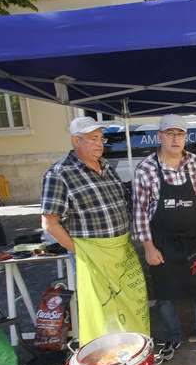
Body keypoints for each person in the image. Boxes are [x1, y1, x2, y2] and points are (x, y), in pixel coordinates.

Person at [41, 117, 149, 346]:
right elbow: (50, 223)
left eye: (101, 138)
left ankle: (133, 347)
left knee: (130, 300)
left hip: (121, 249)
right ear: (75, 141)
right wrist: (79, 252)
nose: (100, 144)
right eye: (93, 139)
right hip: (91, 253)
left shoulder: (107, 166)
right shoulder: (60, 173)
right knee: (102, 307)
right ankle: (107, 352)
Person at [133, 114, 196, 360]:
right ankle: (172, 337)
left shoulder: (195, 162)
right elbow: (139, 211)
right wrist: (148, 246)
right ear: (159, 137)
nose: (175, 138)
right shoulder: (146, 169)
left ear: (185, 137)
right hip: (163, 244)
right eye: (169, 133)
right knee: (165, 294)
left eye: (180, 134)